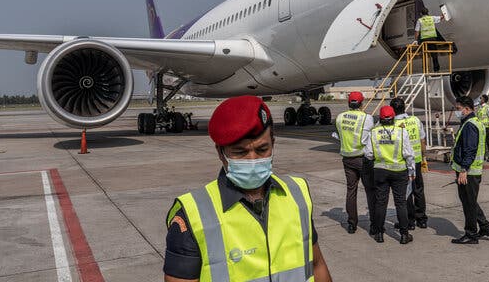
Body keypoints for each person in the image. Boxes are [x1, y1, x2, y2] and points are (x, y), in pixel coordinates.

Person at [163, 96, 332, 282]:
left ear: (273, 144)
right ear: (221, 152)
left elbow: (316, 265)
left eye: (262, 150)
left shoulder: (297, 193)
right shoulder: (193, 214)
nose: (252, 160)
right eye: (240, 152)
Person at [366, 105, 415, 244]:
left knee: (381, 202)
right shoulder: (401, 132)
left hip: (380, 171)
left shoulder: (374, 132)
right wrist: (411, 170)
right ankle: (404, 235)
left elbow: (368, 154)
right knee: (400, 203)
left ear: (380, 119)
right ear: (393, 117)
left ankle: (379, 233)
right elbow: (408, 154)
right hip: (399, 171)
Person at [450, 96, 489, 244]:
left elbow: (470, 149)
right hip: (474, 170)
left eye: (458, 109)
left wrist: (464, 170)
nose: (457, 112)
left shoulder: (470, 125)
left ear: (467, 108)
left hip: (469, 172)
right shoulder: (475, 122)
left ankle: (471, 234)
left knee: (468, 204)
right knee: (470, 201)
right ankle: (485, 227)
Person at [335, 91, 376, 235]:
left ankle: (352, 224)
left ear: (348, 103)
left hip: (347, 159)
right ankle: (374, 224)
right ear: (362, 103)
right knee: (370, 191)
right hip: (362, 159)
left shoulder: (340, 118)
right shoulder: (367, 118)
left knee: (351, 190)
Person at [389, 97, 429, 230]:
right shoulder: (415, 120)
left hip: (402, 163)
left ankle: (409, 221)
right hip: (416, 160)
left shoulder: (392, 124)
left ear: (393, 110)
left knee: (405, 193)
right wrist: (423, 157)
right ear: (404, 107)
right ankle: (422, 219)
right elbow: (422, 139)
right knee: (418, 190)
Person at [414, 7, 446, 72]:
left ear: (421, 14)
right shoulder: (432, 18)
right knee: (434, 55)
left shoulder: (420, 20)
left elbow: (417, 32)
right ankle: (436, 70)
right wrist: (444, 11)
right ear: (428, 12)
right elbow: (442, 17)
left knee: (424, 55)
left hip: (424, 41)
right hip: (432, 39)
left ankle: (425, 70)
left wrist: (416, 40)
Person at [477, 94, 489, 162]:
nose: (479, 99)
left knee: (488, 141)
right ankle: (483, 156)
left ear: (484, 100)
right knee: (482, 141)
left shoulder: (487, 107)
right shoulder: (480, 107)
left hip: (487, 127)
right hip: (480, 127)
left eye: (480, 98)